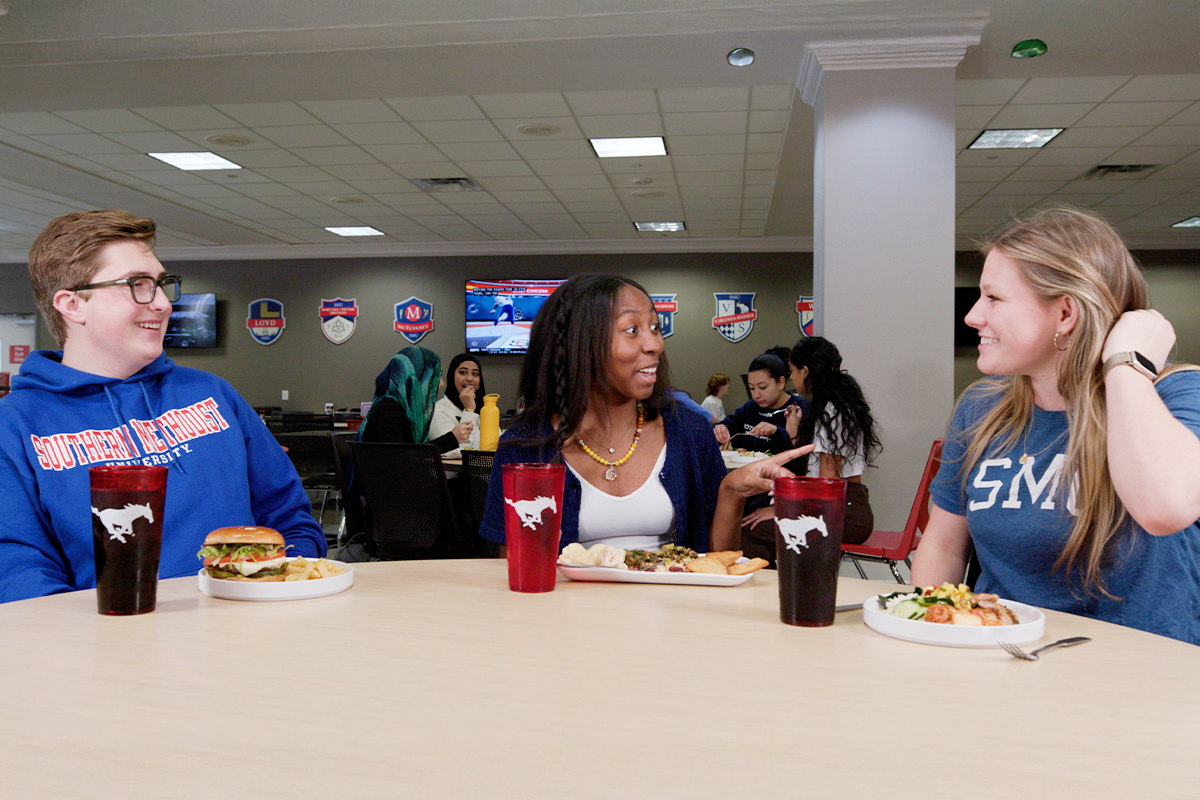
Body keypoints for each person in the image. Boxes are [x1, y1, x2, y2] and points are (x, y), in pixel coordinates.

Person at [0, 210, 326, 603]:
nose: (162, 304)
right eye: (137, 285)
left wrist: (280, 589)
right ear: (72, 304)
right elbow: (18, 568)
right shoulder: (15, 424)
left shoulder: (213, 393)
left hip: (253, 630)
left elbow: (288, 515)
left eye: (160, 284)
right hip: (110, 648)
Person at [910, 206, 1200, 645]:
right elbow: (944, 546)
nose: (973, 316)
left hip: (1139, 678)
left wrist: (1124, 365)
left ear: (1065, 313)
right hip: (1004, 658)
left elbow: (1165, 509)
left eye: (994, 298)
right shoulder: (981, 408)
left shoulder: (1176, 395)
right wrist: (928, 629)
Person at [477, 274, 809, 553]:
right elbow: (517, 569)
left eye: (654, 326)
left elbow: (715, 564)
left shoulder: (689, 432)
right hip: (567, 625)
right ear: (581, 344)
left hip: (671, 621)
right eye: (633, 330)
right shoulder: (524, 447)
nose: (656, 344)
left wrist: (731, 493)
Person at [358, 346, 470, 455]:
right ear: (415, 379)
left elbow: (409, 453)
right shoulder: (388, 409)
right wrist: (452, 438)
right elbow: (403, 459)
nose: (441, 384)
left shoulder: (404, 409)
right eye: (435, 376)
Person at [714, 348, 807, 455]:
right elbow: (724, 427)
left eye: (763, 387)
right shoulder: (750, 407)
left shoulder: (799, 409)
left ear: (781, 383)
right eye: (752, 388)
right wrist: (719, 429)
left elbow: (804, 451)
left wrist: (777, 431)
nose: (756, 395)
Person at [429, 353, 484, 452]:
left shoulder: (484, 409)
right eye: (463, 372)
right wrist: (469, 410)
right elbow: (458, 452)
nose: (470, 379)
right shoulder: (438, 410)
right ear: (451, 378)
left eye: (475, 374)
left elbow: (498, 445)